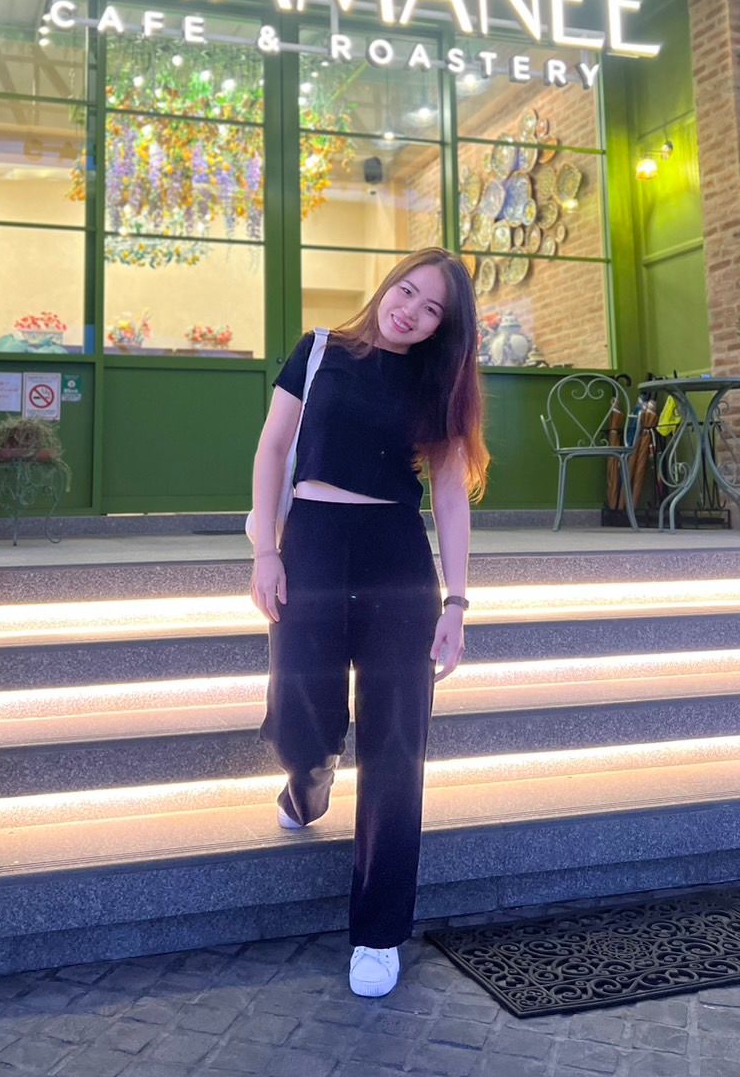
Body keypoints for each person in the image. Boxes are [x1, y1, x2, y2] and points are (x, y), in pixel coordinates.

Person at [249, 248, 490, 999]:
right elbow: (273, 446)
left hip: (395, 554)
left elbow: (449, 497)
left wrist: (457, 602)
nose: (409, 311)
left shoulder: (438, 384)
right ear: (387, 285)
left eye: (431, 309)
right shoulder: (319, 349)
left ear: (443, 328)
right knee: (300, 712)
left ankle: (379, 932)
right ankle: (308, 780)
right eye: (406, 291)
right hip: (312, 543)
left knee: (395, 741)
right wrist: (265, 550)